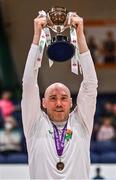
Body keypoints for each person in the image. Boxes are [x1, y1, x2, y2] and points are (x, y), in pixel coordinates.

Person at [21, 12, 98, 179]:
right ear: (43, 103)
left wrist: (80, 35)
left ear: (71, 102)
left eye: (64, 98)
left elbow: (91, 84)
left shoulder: (81, 122)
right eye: (53, 98)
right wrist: (36, 37)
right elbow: (28, 85)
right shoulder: (34, 124)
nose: (58, 103)